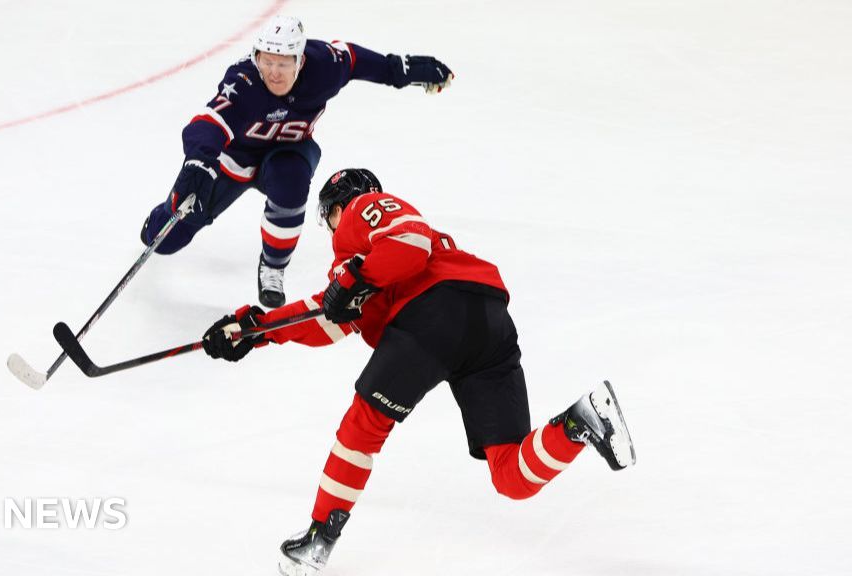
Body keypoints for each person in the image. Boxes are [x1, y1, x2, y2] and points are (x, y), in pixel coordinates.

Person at [200, 168, 637, 576]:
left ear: (337, 206)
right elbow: (330, 318)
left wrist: (355, 277)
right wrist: (255, 330)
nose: (333, 227)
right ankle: (581, 421)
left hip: (434, 312)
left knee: (364, 423)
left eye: (329, 216)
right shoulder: (362, 267)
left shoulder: (361, 214)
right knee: (511, 476)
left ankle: (319, 538)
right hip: (488, 322)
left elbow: (410, 245)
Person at [140, 15, 455, 308]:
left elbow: (357, 60)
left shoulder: (325, 66)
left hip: (289, 152)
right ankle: (162, 216)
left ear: (300, 60)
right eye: (267, 61)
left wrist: (403, 70)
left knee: (291, 181)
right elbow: (208, 123)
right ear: (256, 58)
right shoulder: (244, 82)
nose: (273, 72)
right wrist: (198, 164)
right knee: (165, 241)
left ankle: (273, 268)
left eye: (283, 63)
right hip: (235, 161)